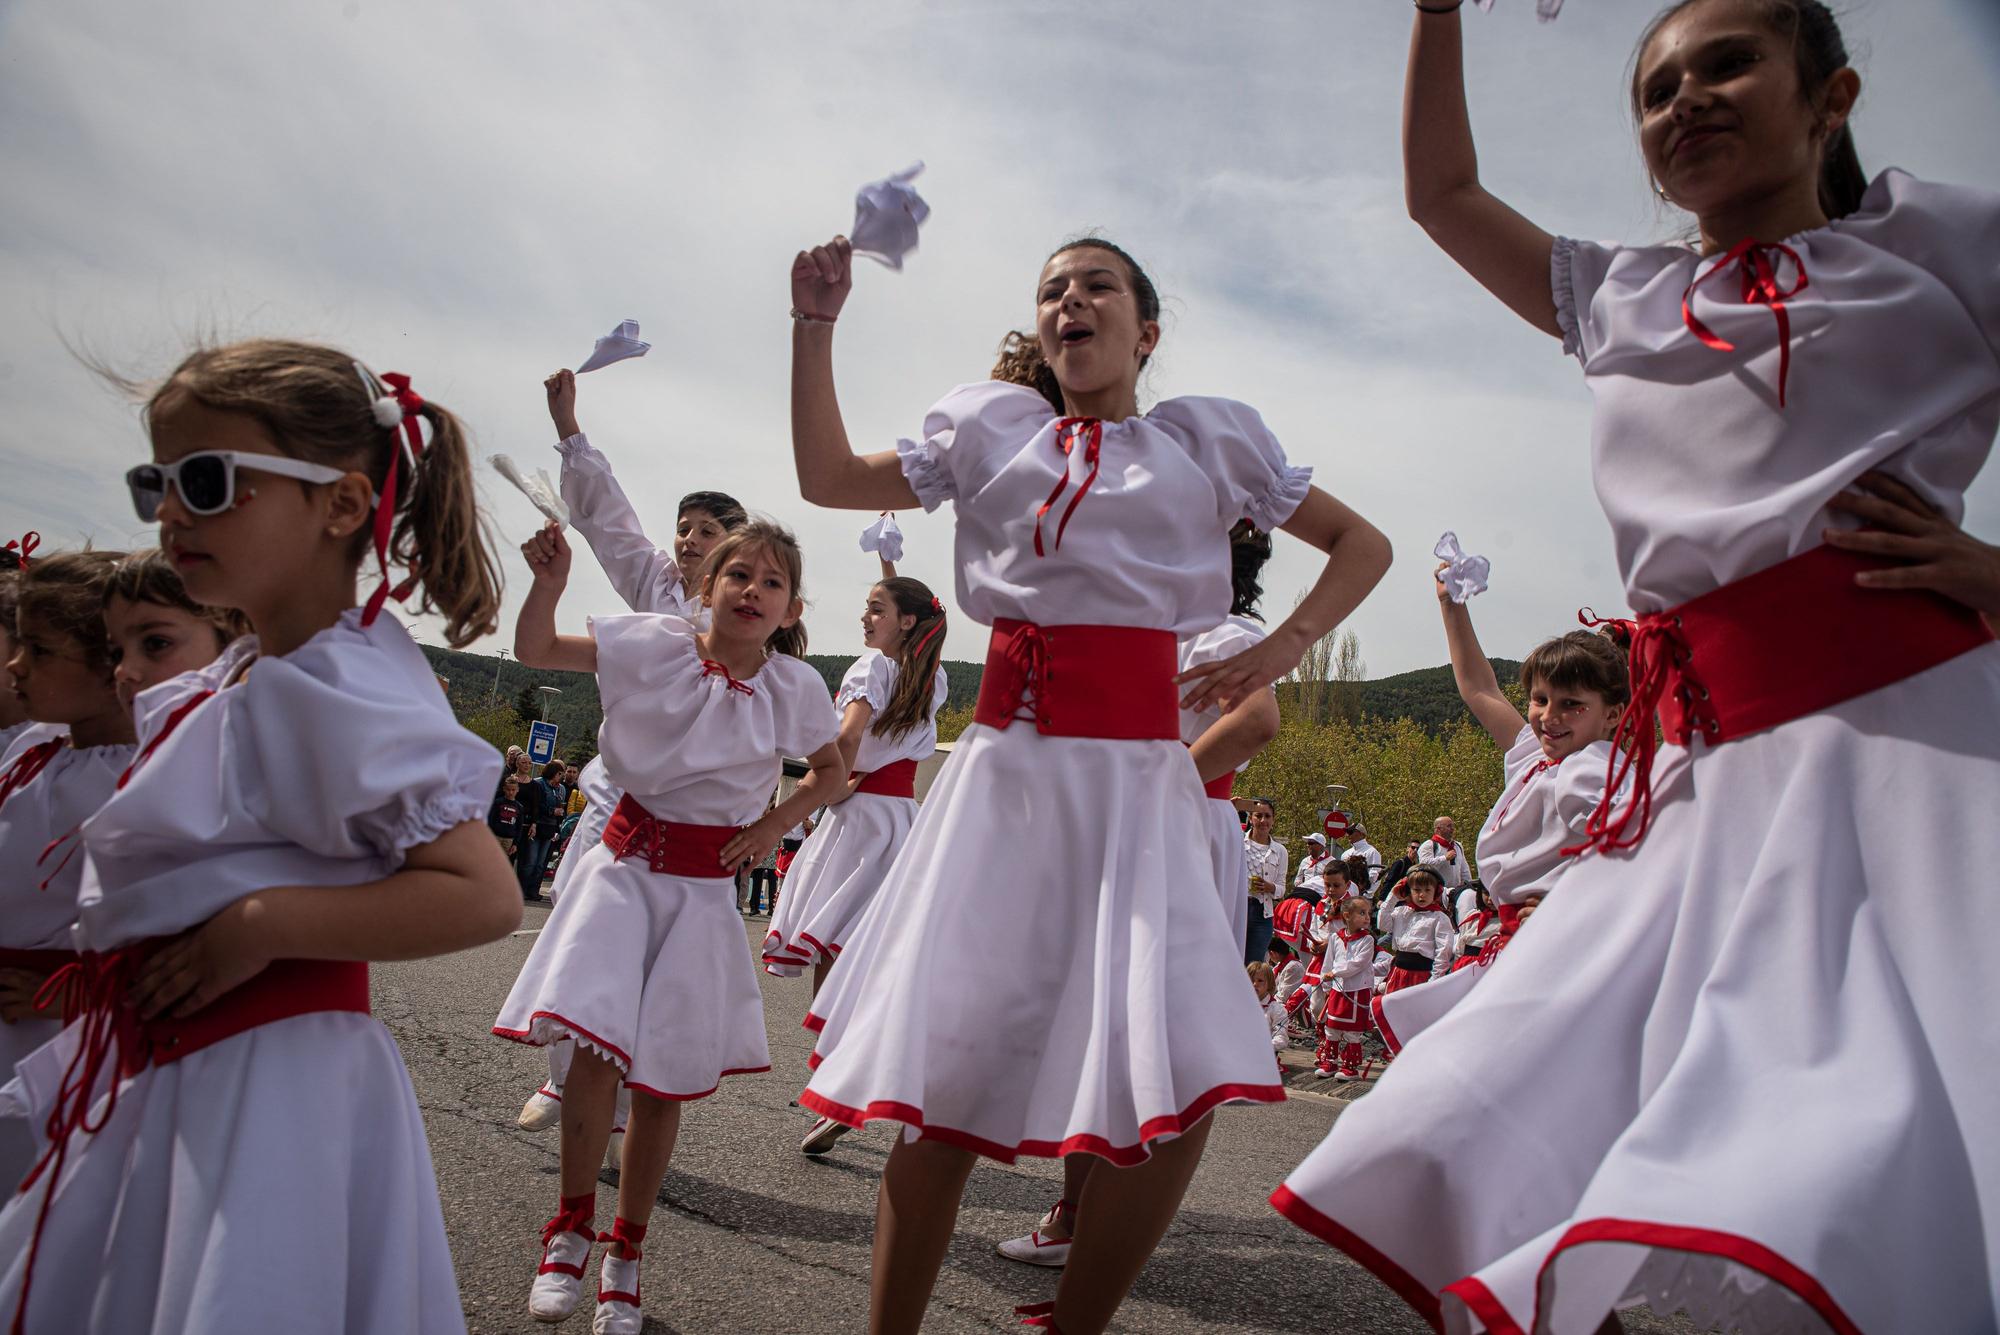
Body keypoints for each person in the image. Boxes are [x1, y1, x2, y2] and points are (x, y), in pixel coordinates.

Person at [1272, 3, 2000, 1331]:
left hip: (1906, 749)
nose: (1685, 101)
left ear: (1830, 95)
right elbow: (1441, 194)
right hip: (1694, 785)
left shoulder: (1944, 244)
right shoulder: (1623, 294)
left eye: (1728, 63)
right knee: (1487, 1114)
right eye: (1656, 88)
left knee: (1874, 1152)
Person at [787, 231, 1390, 1334]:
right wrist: (814, 325)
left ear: (1142, 331)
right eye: (1052, 288)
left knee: (1177, 1075)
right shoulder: (992, 432)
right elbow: (824, 479)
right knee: (950, 1078)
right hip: (1006, 782)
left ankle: (1077, 1322)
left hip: (1139, 791)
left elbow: (1360, 542)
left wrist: (1284, 644)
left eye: (1095, 285)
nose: (1071, 299)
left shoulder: (1207, 442)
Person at [0, 339, 522, 1335]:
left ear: (336, 503)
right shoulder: (257, 672)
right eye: (158, 481)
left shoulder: (334, 685)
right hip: (186, 1067)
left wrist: (259, 924)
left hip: (261, 1083)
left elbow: (480, 892)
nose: (167, 512)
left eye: (205, 481)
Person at [494, 521, 843, 1333]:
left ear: (791, 607)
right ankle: (570, 1229)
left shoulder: (795, 687)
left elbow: (831, 772)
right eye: (739, 575)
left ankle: (626, 1251)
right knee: (591, 1054)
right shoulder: (655, 646)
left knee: (659, 1082)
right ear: (710, 586)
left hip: (699, 893)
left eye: (772, 582)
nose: (752, 590)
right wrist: (548, 582)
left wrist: (773, 825)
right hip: (622, 874)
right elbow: (540, 646)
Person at [997, 516, 1282, 1263]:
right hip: (1140, 826)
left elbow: (1257, 720)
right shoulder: (1164, 627)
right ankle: (1076, 1209)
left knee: (1140, 1023)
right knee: (1101, 1016)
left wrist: (1163, 785)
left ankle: (1093, 1221)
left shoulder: (1221, 630)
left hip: (1178, 829)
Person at [509, 367, 752, 1138]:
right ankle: (563, 1076)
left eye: (706, 532)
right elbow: (610, 521)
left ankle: (618, 1098)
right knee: (580, 930)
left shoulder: (748, 618)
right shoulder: (652, 582)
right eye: (683, 527)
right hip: (617, 793)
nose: (687, 540)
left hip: (686, 812)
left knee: (650, 960)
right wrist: (571, 428)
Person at [0, 552, 139, 1192]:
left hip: (53, 1038)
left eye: (38, 650)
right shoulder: (33, 746)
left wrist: (81, 994)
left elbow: (189, 935)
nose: (15, 666)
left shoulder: (136, 782)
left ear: (112, 663)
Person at [763, 562, 948, 1033]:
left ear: (905, 621)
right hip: (902, 819)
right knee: (873, 941)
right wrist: (891, 573)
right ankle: (857, 1069)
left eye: (875, 610)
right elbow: (914, 619)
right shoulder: (933, 679)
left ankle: (831, 1070)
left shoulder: (871, 667)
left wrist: (819, 793)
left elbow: (847, 739)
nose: (864, 617)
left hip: (857, 816)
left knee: (832, 938)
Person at [1311, 896, 1379, 1081]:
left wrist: (1336, 972)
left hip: (1357, 990)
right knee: (1332, 1026)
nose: (1367, 918)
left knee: (1351, 1030)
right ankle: (1330, 1062)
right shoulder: (1335, 937)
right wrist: (1326, 984)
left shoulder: (1367, 940)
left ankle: (1350, 1066)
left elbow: (1358, 964)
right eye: (1362, 913)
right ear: (1347, 915)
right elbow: (1328, 962)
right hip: (1337, 989)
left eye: (1368, 913)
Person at [1374, 867, 1454, 993]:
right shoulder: (1401, 912)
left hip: (1421, 976)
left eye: (1427, 890)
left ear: (1436, 892)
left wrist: (1434, 980)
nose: (1422, 895)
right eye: (1416, 890)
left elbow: (1444, 952)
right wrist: (1393, 897)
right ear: (1408, 891)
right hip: (1398, 974)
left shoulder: (1439, 918)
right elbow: (1383, 924)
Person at [1242, 797, 1286, 965]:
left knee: (1254, 965)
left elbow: (1282, 889)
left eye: (1267, 816)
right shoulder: (1239, 842)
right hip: (1239, 908)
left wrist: (1270, 887)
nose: (1263, 821)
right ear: (1251, 818)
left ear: (1273, 820)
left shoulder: (1280, 851)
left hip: (1263, 913)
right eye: (1258, 816)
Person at [1416, 815, 1468, 891]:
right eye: (1449, 826)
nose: (1452, 829)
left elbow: (1464, 869)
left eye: (1452, 826)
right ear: (1438, 829)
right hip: (1435, 892)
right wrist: (1444, 858)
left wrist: (1467, 886)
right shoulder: (1429, 845)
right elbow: (1424, 867)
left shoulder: (1457, 846)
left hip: (1456, 891)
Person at [1292, 831, 1333, 907]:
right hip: (1305, 897)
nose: (1308, 845)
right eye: (1307, 843)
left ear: (1320, 845)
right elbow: (1298, 879)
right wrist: (1301, 887)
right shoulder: (1305, 861)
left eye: (1311, 843)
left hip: (1322, 898)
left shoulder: (1331, 861)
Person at [489, 773, 524, 858]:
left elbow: (519, 827)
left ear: (517, 790)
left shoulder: (519, 807)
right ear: (504, 789)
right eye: (508, 789)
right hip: (495, 836)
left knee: (502, 860)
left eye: (513, 790)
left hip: (509, 839)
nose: (511, 792)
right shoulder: (498, 802)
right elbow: (490, 820)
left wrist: (515, 843)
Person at [1344, 821, 1383, 890]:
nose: (1347, 835)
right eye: (1347, 832)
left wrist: (1367, 896)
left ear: (1361, 834)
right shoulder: (1345, 854)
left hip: (1362, 896)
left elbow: (1374, 877)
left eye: (1350, 832)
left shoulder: (1372, 852)